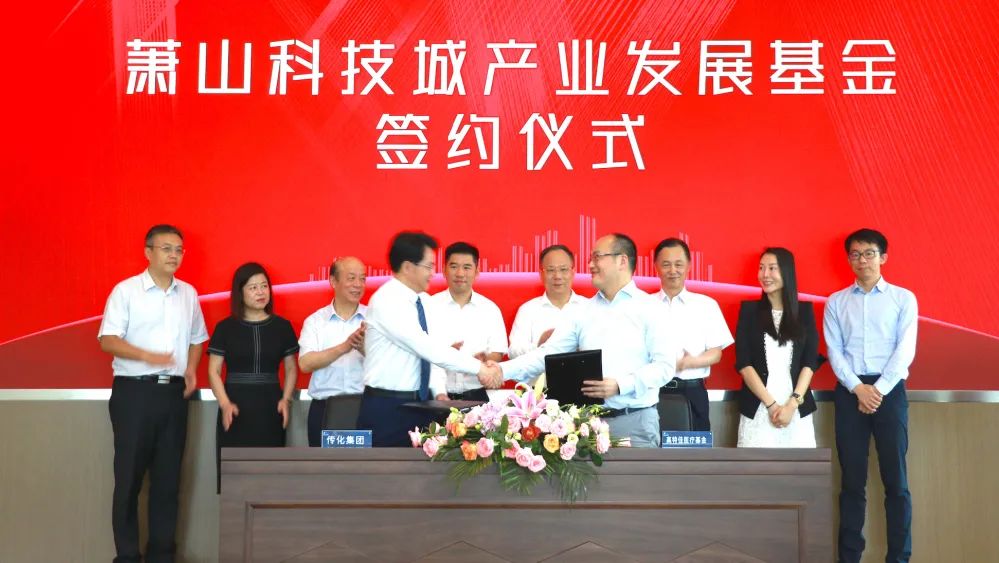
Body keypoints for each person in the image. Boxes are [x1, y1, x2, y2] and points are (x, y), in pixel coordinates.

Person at [486, 233, 674, 448]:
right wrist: (500, 370)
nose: (590, 265)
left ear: (622, 261)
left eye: (597, 257)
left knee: (635, 473)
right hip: (587, 426)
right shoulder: (582, 311)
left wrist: (620, 385)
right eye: (590, 258)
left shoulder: (651, 308)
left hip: (634, 423)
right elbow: (546, 354)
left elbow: (665, 366)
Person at [98, 224, 208, 563]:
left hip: (174, 396)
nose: (174, 255)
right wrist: (146, 355)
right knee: (128, 480)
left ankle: (162, 555)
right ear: (148, 252)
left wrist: (191, 369)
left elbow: (198, 338)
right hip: (135, 394)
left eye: (179, 250)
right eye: (166, 248)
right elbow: (107, 340)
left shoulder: (188, 294)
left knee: (167, 481)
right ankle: (127, 556)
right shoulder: (126, 291)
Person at [824, 228, 917, 563]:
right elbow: (834, 352)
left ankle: (899, 558)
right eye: (855, 254)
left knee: (896, 482)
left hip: (889, 392)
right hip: (850, 393)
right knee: (852, 482)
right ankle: (849, 557)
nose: (861, 260)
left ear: (883, 257)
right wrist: (857, 388)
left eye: (869, 253)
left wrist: (877, 390)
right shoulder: (836, 302)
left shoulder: (903, 299)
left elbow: (905, 350)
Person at [358, 231, 496, 447]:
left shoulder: (424, 302)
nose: (433, 273)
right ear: (408, 267)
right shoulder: (387, 301)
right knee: (384, 468)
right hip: (387, 407)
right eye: (428, 266)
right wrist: (480, 369)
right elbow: (426, 347)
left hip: (420, 405)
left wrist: (439, 391)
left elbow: (433, 351)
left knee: (419, 468)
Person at [207, 262, 299, 492]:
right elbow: (213, 371)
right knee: (235, 481)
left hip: (271, 407)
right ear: (240, 292)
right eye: (253, 287)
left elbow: (291, 368)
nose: (260, 292)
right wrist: (225, 404)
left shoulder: (282, 327)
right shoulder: (225, 328)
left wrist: (286, 399)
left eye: (264, 286)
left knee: (268, 479)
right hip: (235, 408)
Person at [735, 247, 819, 448]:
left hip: (796, 409)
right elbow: (744, 364)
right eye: (761, 268)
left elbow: (809, 362)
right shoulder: (749, 311)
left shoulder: (804, 312)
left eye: (772, 268)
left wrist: (792, 404)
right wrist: (771, 405)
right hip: (759, 408)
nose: (765, 274)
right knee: (755, 466)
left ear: (786, 272)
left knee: (798, 467)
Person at [652, 238, 733, 431]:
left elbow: (716, 353)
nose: (673, 270)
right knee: (652, 449)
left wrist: (690, 362)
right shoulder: (643, 306)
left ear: (689, 266)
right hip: (652, 393)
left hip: (693, 393)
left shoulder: (706, 305)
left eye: (678, 264)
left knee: (695, 448)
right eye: (666, 264)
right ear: (656, 267)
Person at [298, 257, 367, 446]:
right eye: (351, 278)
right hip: (324, 408)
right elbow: (305, 363)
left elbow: (388, 366)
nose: (358, 284)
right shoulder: (315, 321)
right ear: (333, 281)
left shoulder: (374, 319)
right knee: (325, 464)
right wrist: (344, 347)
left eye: (362, 278)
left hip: (364, 408)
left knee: (363, 464)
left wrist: (364, 349)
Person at [430, 241, 508, 401]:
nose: (460, 273)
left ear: (476, 272)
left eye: (466, 267)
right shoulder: (429, 306)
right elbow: (421, 352)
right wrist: (444, 355)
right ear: (444, 270)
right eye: (454, 266)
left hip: (477, 395)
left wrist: (485, 360)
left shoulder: (490, 309)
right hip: (437, 395)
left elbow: (498, 352)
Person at [507, 244, 587, 384]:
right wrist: (539, 345)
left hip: (582, 389)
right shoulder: (528, 310)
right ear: (541, 274)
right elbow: (513, 352)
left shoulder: (589, 308)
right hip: (537, 391)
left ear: (573, 272)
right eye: (550, 270)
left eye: (563, 269)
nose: (557, 276)